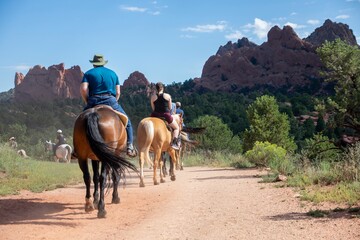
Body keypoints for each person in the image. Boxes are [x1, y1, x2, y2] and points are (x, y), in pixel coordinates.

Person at [80, 54, 136, 157]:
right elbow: (118, 92)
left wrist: (87, 100)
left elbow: (83, 89)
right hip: (110, 100)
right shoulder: (113, 74)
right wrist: (114, 101)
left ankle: (76, 149)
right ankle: (130, 146)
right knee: (127, 122)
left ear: (94, 64)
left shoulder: (88, 73)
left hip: (93, 100)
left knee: (80, 121)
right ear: (103, 63)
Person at [150, 82, 181, 150]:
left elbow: (153, 108)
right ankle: (174, 143)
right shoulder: (167, 96)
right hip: (165, 115)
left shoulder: (152, 97)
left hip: (155, 115)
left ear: (156, 88)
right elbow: (170, 108)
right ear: (163, 88)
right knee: (176, 128)